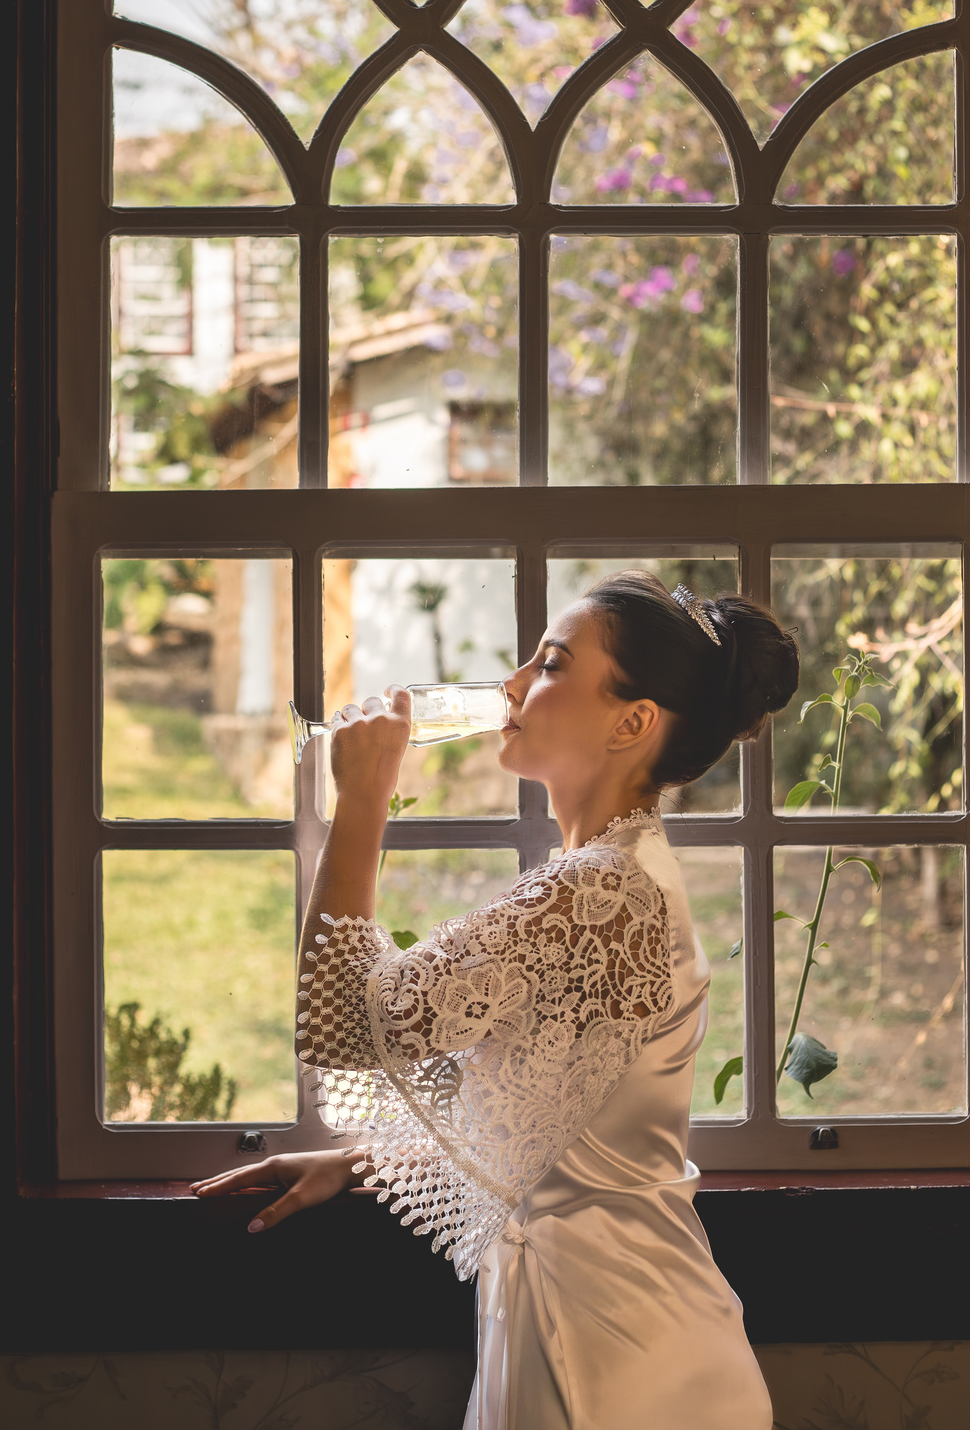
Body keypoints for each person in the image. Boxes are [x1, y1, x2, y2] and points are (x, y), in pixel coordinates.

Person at [194, 572, 799, 1429]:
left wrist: (362, 800)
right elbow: (551, 1124)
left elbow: (342, 1020)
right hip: (600, 1326)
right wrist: (363, 1164)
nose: (512, 684)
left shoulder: (599, 895)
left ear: (632, 723)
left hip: (618, 1363)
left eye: (549, 664)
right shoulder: (617, 879)